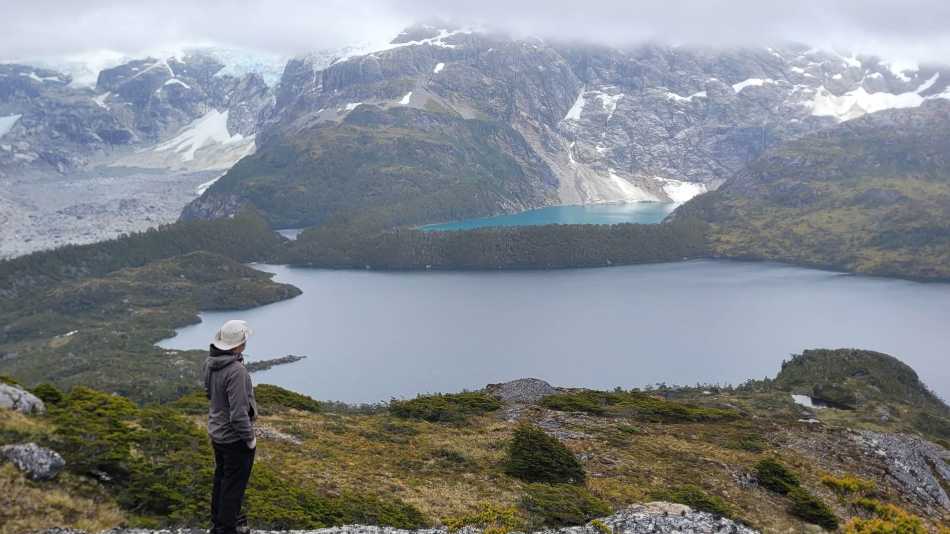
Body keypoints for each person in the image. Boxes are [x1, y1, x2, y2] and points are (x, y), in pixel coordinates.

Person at [203, 320, 258, 534]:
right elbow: (238, 414)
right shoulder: (236, 371)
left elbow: (209, 393)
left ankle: (218, 523)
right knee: (234, 485)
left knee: (222, 478)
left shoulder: (210, 362)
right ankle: (227, 528)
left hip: (217, 432)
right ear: (239, 343)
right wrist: (250, 439)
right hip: (235, 438)